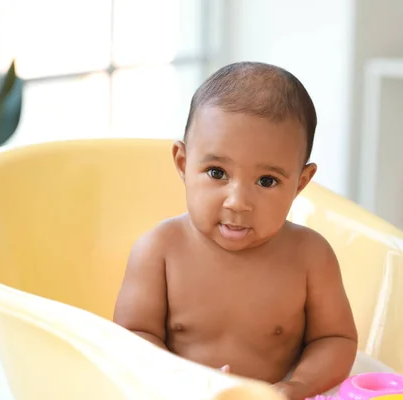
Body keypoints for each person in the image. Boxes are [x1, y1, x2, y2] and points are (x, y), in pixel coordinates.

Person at [113, 61, 358, 400]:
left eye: (267, 181)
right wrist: (180, 380)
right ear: (183, 164)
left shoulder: (310, 257)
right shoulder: (159, 251)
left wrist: (294, 388)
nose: (238, 202)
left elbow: (335, 340)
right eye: (217, 173)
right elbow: (130, 337)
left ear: (301, 183)